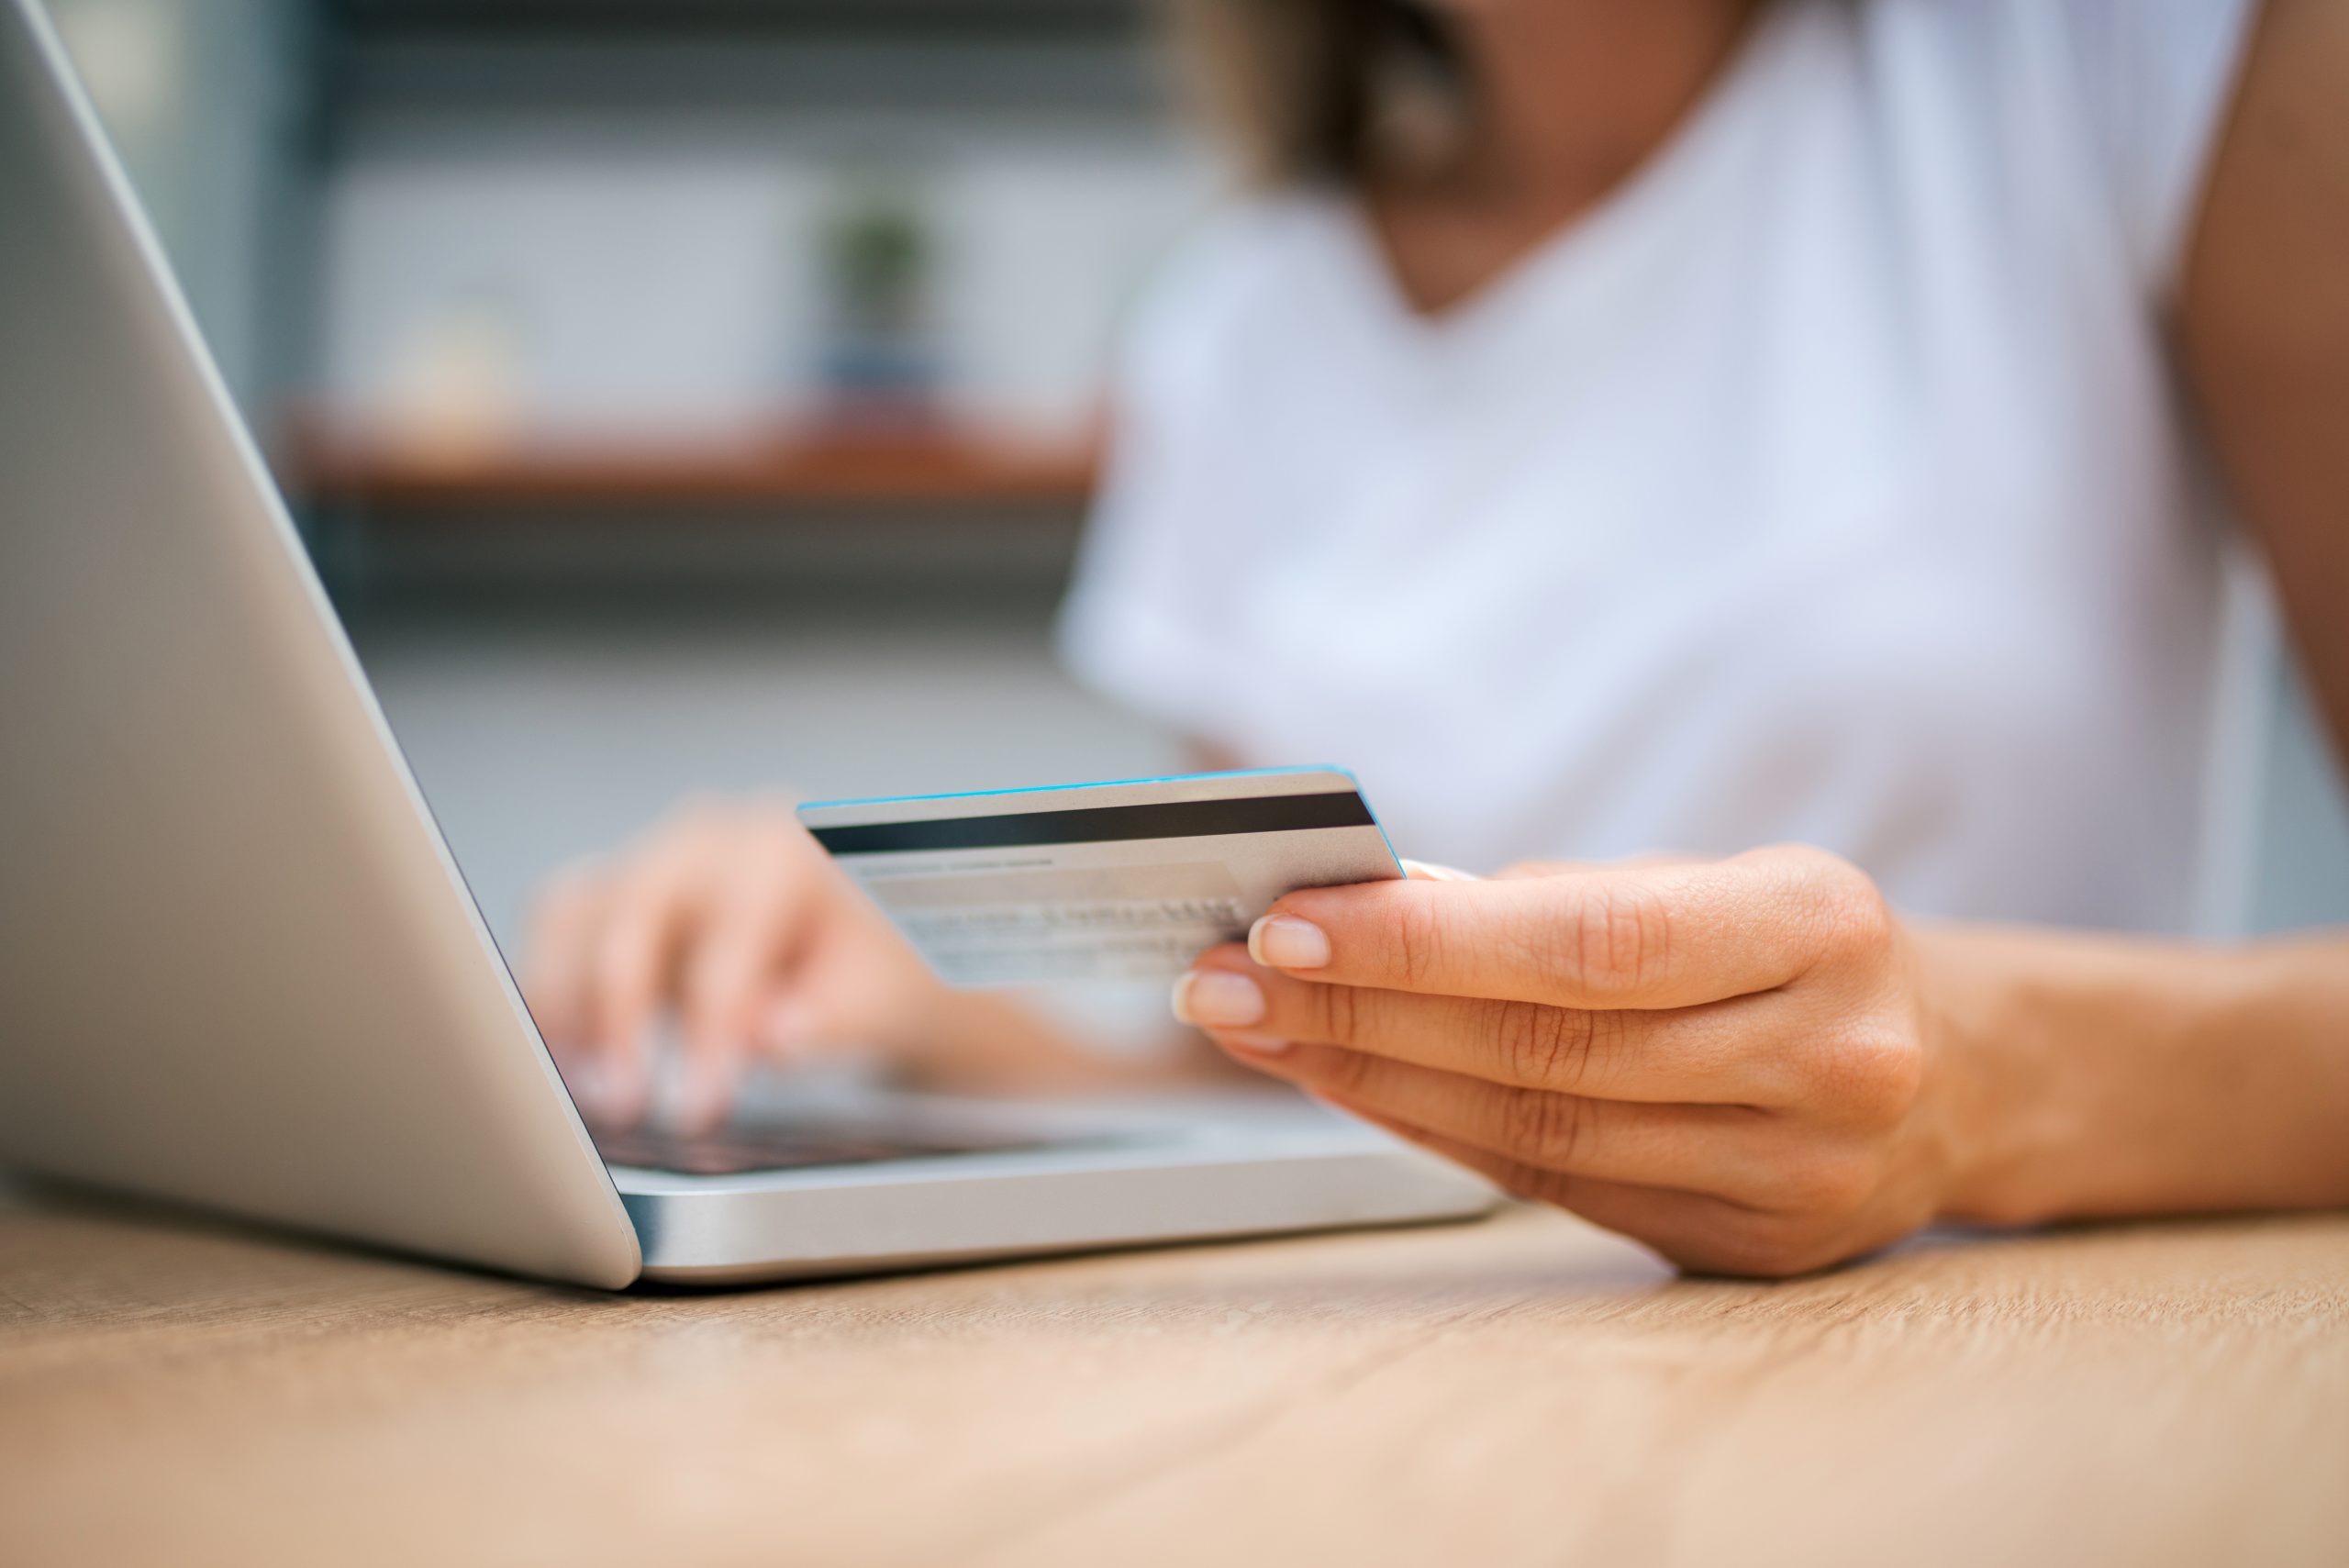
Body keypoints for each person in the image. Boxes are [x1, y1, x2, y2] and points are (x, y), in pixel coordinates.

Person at [522, 0, 2349, 1276]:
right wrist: (909, 1007)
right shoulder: (1242, 330)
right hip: (1417, 1415)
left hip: (2016, 1371)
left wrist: (1990, 1084)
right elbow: (1267, 1044)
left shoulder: (2120, 61)